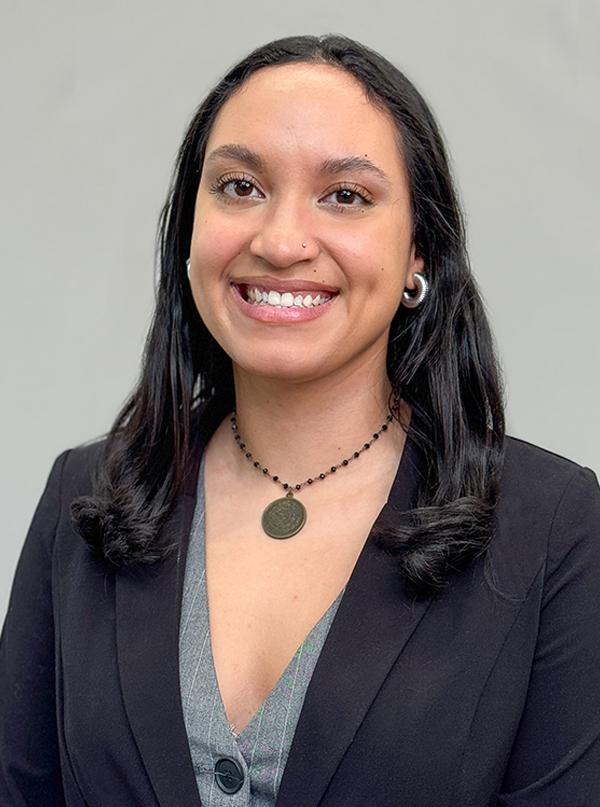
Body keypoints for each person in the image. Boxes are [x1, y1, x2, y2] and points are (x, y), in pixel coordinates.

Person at [1, 33, 598, 807]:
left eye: (345, 195)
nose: (281, 241)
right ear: (190, 228)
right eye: (240, 186)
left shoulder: (553, 526)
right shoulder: (81, 497)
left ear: (419, 250)